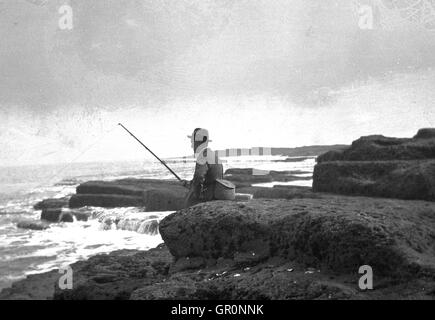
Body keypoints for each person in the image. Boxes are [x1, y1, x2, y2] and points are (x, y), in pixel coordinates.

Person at [182, 128, 223, 208]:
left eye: (192, 143)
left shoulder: (202, 156)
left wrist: (196, 195)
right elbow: (209, 177)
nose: (191, 146)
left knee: (187, 202)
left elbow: (199, 177)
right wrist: (188, 183)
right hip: (217, 194)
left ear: (198, 143)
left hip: (209, 197)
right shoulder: (213, 155)